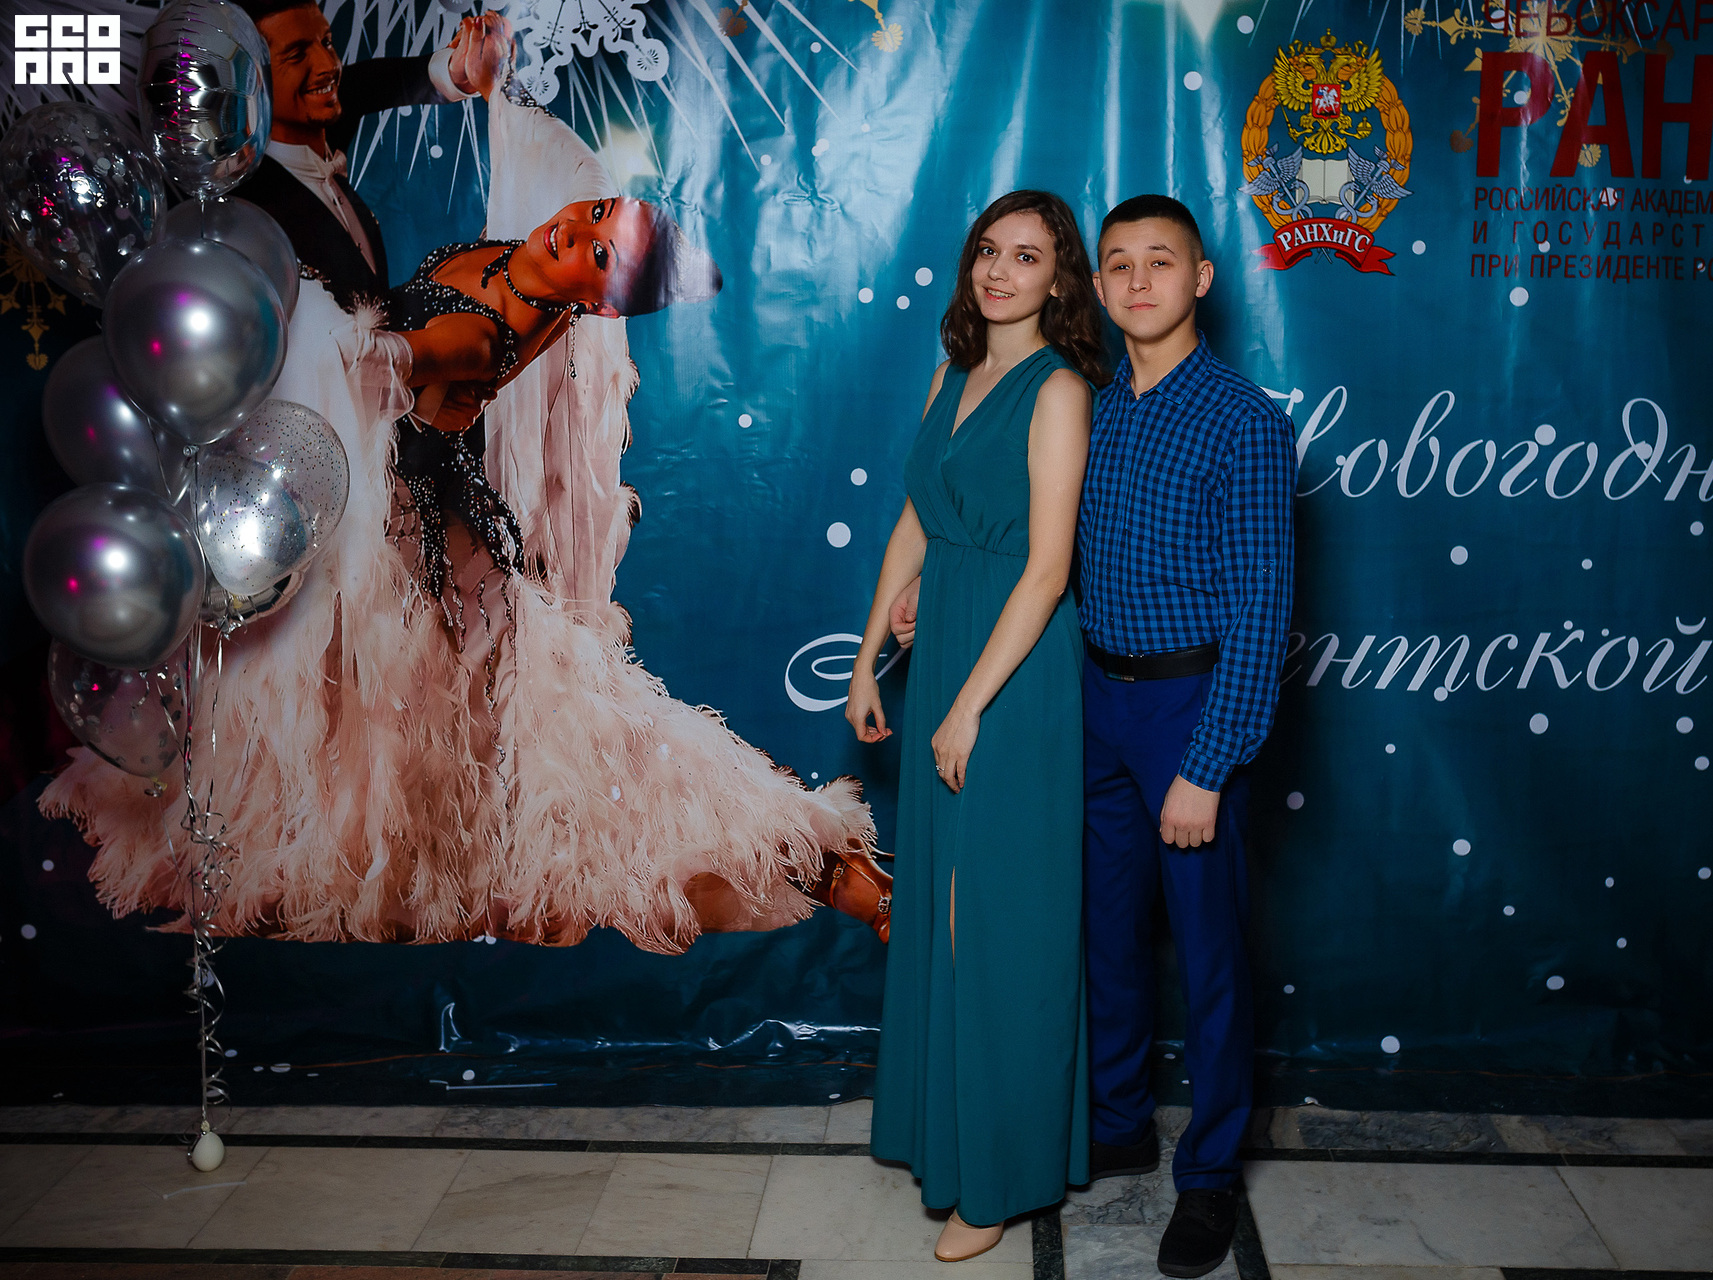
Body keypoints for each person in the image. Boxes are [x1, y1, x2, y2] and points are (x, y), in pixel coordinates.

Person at [43, 67, 891, 951]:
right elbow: (545, 169)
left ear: (597, 302)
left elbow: (382, 361)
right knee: (429, 737)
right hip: (415, 515)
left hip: (422, 542)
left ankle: (814, 858)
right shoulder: (530, 251)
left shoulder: (486, 333)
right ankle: (835, 869)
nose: (578, 231)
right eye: (599, 214)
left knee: (552, 740)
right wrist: (466, 80)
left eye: (600, 256)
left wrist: (293, 334)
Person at [887, 195, 1295, 1278]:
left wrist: (1209, 762)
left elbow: (1263, 611)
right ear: (1097, 286)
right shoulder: (1092, 401)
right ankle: (1117, 1120)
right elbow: (1028, 541)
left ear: (1201, 279)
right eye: (1120, 264)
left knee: (1207, 949)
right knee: (1103, 934)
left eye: (1161, 262)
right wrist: (934, 587)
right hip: (1086, 698)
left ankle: (1210, 1175)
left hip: (1186, 706)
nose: (1139, 281)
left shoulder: (1244, 420)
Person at [845, 190, 1105, 1261]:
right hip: (948, 639)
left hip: (1014, 671)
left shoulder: (1062, 390)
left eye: (1028, 256)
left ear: (1060, 278)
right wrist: (870, 652)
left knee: (994, 918)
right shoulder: (950, 373)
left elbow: (1047, 568)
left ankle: (998, 1177)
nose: (1000, 271)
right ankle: (945, 1134)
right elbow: (918, 515)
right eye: (989, 251)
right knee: (940, 909)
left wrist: (966, 703)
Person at [234, 0, 510, 310]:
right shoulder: (244, 208)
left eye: (327, 43)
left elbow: (378, 81)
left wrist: (459, 66)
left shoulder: (320, 109)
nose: (328, 65)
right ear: (249, 78)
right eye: (296, 55)